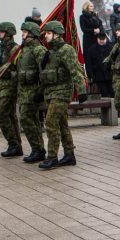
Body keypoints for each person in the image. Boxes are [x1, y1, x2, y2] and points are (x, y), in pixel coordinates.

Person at [38, 21, 85, 168]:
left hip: (62, 92)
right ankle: (69, 155)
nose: (46, 36)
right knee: (62, 124)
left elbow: (75, 70)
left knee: (50, 122)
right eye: (46, 33)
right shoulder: (50, 52)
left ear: (57, 34)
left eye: (48, 33)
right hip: (51, 92)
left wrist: (82, 90)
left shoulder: (66, 50)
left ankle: (52, 157)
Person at [16, 21, 47, 163]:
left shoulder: (38, 50)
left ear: (32, 34)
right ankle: (38, 149)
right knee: (30, 120)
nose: (22, 33)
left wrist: (40, 91)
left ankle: (38, 149)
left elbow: (44, 71)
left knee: (27, 119)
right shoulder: (24, 50)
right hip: (24, 91)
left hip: (33, 91)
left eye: (25, 31)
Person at [0, 22, 22, 157]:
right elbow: (1, 65)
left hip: (11, 87)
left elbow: (18, 70)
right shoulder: (4, 48)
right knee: (10, 116)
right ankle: (16, 145)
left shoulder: (14, 49)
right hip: (4, 86)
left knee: (2, 116)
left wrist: (6, 74)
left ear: (8, 33)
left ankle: (13, 144)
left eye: (1, 32)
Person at [84, 31, 114, 97]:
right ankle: (105, 107)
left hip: (111, 74)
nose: (102, 41)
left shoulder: (111, 47)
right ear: (97, 39)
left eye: (103, 39)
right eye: (100, 39)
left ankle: (114, 106)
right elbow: (89, 63)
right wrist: (90, 75)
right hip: (99, 75)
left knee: (113, 92)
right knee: (104, 93)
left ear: (106, 39)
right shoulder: (91, 49)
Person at [80, 1, 104, 76]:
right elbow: (83, 29)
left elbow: (100, 24)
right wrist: (93, 30)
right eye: (90, 6)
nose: (92, 7)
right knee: (89, 57)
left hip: (97, 38)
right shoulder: (82, 17)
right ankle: (91, 75)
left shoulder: (95, 15)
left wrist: (99, 29)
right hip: (88, 40)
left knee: (98, 56)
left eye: (92, 6)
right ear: (86, 7)